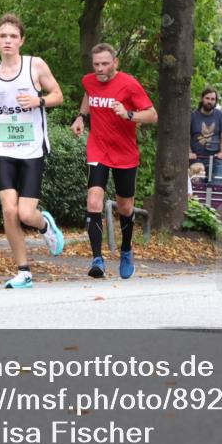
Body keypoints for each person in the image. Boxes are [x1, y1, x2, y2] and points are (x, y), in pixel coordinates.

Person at [0, 13, 66, 289]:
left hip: (31, 148)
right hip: (3, 145)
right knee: (8, 210)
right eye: (3, 36)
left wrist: (37, 100)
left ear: (21, 41)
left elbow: (58, 96)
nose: (8, 41)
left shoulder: (35, 66)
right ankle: (23, 271)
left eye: (13, 36)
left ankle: (45, 226)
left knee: (26, 214)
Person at [71, 43, 158, 279]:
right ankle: (97, 259)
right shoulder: (89, 80)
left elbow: (152, 115)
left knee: (125, 206)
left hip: (125, 153)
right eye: (96, 64)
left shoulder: (129, 84)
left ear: (115, 63)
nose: (99, 69)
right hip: (98, 149)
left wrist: (129, 114)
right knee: (94, 200)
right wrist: (81, 117)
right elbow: (89, 95)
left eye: (104, 64)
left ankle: (126, 249)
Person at [189, 88, 222, 182]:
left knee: (218, 190)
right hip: (197, 159)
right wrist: (189, 152)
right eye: (207, 98)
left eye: (212, 99)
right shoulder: (193, 116)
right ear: (202, 99)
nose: (210, 101)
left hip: (216, 159)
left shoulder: (220, 115)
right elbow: (186, 136)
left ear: (215, 101)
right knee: (196, 190)